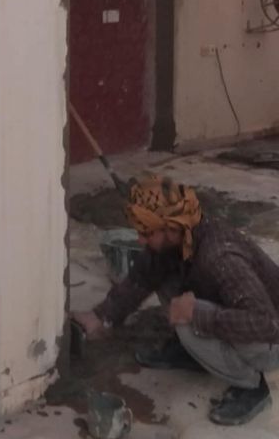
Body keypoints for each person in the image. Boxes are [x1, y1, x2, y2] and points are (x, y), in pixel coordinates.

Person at [73, 176, 279, 425]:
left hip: (269, 341)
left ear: (171, 228)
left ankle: (251, 386)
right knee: (165, 277)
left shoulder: (220, 257)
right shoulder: (180, 238)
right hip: (244, 317)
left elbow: (265, 323)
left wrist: (197, 314)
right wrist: (102, 316)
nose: (140, 240)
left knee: (187, 321)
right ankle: (195, 354)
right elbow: (142, 277)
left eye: (146, 232)